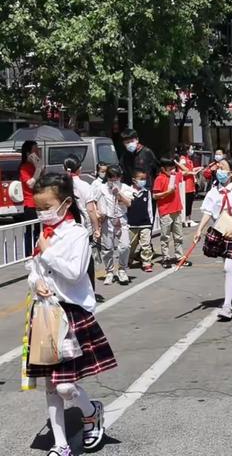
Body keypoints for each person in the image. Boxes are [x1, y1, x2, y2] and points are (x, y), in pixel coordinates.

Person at [26, 173, 116, 456]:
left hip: (71, 313)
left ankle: (91, 412)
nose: (42, 213)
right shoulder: (45, 233)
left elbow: (75, 272)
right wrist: (35, 282)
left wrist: (47, 251)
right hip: (44, 312)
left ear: (65, 203)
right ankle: (60, 444)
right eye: (38, 208)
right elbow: (33, 269)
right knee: (51, 386)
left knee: (65, 386)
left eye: (47, 206)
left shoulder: (76, 234)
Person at [193, 158, 232, 320]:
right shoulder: (214, 192)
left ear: (231, 173)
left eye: (222, 168)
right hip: (220, 231)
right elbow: (207, 212)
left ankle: (227, 306)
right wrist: (199, 229)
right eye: (218, 167)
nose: (218, 170)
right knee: (229, 268)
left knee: (228, 267)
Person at [63, 156, 101, 291]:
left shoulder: (61, 185)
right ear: (79, 169)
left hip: (65, 228)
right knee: (86, 259)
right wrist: (96, 228)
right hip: (83, 229)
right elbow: (91, 210)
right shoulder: (84, 186)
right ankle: (88, 290)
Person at [95, 165, 132, 285]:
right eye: (111, 178)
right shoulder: (101, 188)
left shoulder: (125, 187)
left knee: (125, 246)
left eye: (116, 178)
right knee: (107, 248)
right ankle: (109, 271)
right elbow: (94, 202)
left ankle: (122, 269)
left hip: (121, 219)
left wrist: (119, 194)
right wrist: (98, 214)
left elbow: (129, 203)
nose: (114, 181)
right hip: (107, 220)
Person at [153, 158, 191, 269]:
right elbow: (155, 195)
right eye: (169, 169)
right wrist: (167, 192)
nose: (171, 170)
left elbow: (187, 171)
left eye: (172, 168)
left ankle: (179, 256)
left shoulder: (175, 176)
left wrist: (177, 163)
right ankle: (166, 257)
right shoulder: (159, 178)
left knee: (178, 236)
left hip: (176, 210)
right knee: (165, 236)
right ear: (162, 169)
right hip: (165, 211)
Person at [127, 169, 154, 272]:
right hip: (132, 224)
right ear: (134, 180)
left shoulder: (146, 192)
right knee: (130, 245)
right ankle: (128, 260)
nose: (143, 181)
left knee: (146, 244)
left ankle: (146, 262)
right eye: (141, 179)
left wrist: (150, 222)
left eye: (145, 179)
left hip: (145, 223)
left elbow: (149, 208)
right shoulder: (128, 192)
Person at [19, 140, 43, 256]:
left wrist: (40, 168)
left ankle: (39, 252)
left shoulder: (36, 166)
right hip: (30, 204)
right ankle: (29, 254)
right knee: (31, 231)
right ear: (28, 153)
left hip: (40, 203)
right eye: (35, 150)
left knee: (40, 230)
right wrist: (37, 169)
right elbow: (30, 183)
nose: (37, 152)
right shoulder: (24, 167)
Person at [176, 144, 201, 227]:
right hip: (186, 184)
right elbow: (181, 172)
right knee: (187, 202)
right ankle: (186, 220)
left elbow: (189, 170)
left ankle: (189, 219)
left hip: (190, 183)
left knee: (189, 202)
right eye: (190, 149)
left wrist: (196, 169)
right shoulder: (183, 159)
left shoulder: (188, 159)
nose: (192, 150)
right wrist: (191, 172)